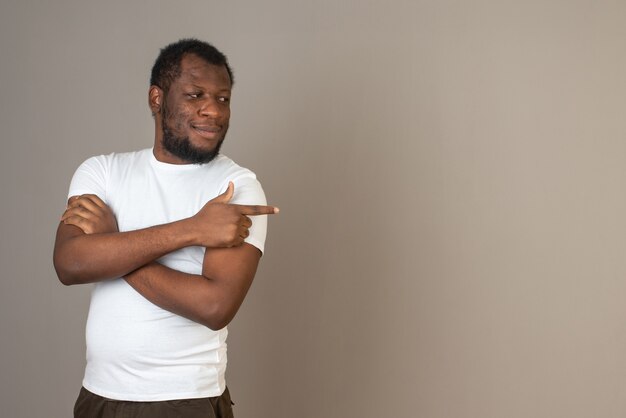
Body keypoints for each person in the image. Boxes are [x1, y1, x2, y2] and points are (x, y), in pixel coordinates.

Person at [53, 38, 278, 418]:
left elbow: (214, 306)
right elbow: (70, 265)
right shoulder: (102, 172)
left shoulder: (236, 187)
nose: (213, 110)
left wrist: (110, 246)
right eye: (196, 95)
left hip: (184, 401)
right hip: (98, 397)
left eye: (223, 99)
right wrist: (192, 229)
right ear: (157, 99)